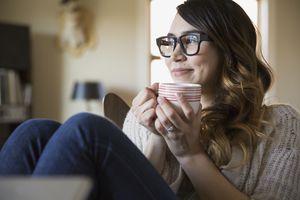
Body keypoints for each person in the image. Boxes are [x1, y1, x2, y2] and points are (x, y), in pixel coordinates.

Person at [0, 0, 299, 199]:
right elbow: (126, 185)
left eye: (191, 40)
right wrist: (156, 137)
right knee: (33, 131)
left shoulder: (280, 122)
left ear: (229, 48)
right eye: (169, 42)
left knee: (86, 130)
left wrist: (190, 154)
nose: (175, 54)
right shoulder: (145, 114)